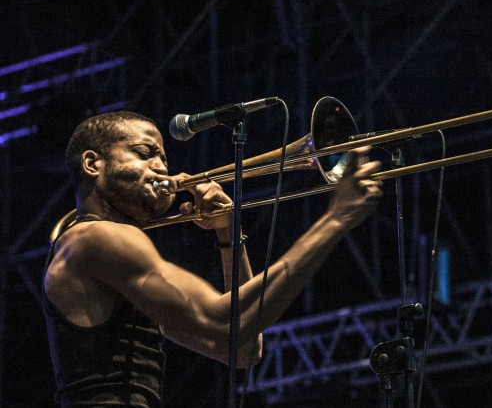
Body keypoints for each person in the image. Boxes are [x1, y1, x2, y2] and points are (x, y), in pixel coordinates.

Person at [42, 110, 383, 407]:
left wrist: (229, 233)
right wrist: (335, 220)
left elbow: (243, 350)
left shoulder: (104, 250)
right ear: (92, 164)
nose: (161, 167)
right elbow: (223, 324)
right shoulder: (96, 237)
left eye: (163, 159)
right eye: (144, 153)